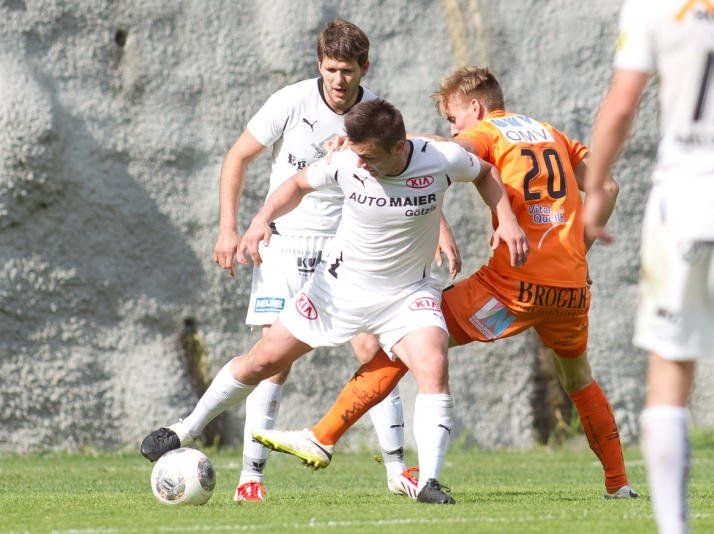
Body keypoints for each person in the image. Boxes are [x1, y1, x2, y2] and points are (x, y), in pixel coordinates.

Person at [254, 66, 638, 499]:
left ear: (476, 107)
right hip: (570, 288)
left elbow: (438, 150)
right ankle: (619, 485)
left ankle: (322, 436)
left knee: (411, 340)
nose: (454, 129)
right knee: (579, 379)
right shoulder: (552, 133)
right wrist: (576, 251)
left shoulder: (489, 132)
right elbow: (608, 186)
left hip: (511, 289)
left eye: (454, 119)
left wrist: (367, 142)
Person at [141, 98, 530, 505]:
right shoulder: (347, 161)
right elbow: (296, 185)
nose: (360, 164)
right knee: (262, 361)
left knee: (433, 364)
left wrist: (507, 220)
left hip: (407, 294)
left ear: (399, 147)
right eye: (357, 154)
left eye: (369, 157)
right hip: (337, 291)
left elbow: (486, 173)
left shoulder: (441, 159)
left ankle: (429, 481)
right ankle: (187, 429)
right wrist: (260, 220)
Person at [206, 19, 458, 501]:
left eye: (348, 70)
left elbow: (411, 173)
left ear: (365, 68)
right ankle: (251, 478)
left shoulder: (375, 115)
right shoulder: (290, 102)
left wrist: (439, 229)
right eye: (331, 69)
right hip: (288, 243)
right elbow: (237, 157)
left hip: (348, 249)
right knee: (274, 360)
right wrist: (229, 228)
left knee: (373, 352)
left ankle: (397, 469)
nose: (339, 80)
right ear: (319, 64)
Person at [582, 1, 714, 532]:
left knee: (670, 373)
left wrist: (595, 187)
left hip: (680, 215)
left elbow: (621, 105)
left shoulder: (653, 6)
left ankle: (674, 528)